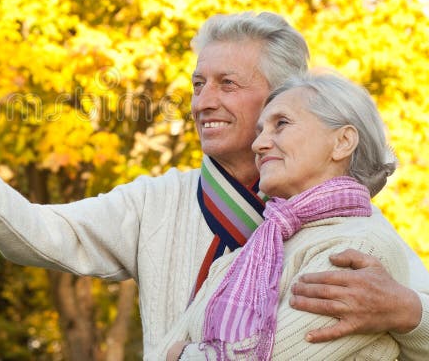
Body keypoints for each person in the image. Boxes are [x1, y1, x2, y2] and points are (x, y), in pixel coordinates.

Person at [0, 12, 429, 360]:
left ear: (279, 97)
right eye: (198, 84)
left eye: (226, 83)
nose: (203, 101)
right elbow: (39, 234)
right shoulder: (157, 200)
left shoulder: (345, 228)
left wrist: (410, 313)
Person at [160, 72, 409, 360]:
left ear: (342, 142)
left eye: (281, 124)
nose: (258, 145)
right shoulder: (244, 257)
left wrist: (181, 355)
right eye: (260, 131)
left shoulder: (361, 248)